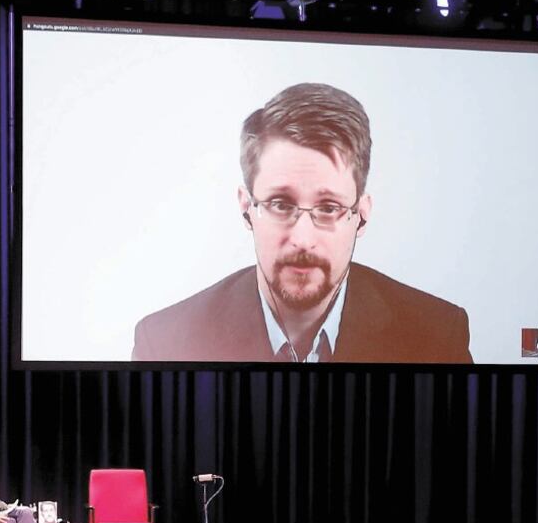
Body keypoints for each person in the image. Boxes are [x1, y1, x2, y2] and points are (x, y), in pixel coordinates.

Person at [132, 82, 472, 364]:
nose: (303, 239)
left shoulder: (438, 335)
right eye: (280, 204)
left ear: (362, 215)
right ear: (246, 208)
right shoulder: (164, 340)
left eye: (328, 207)